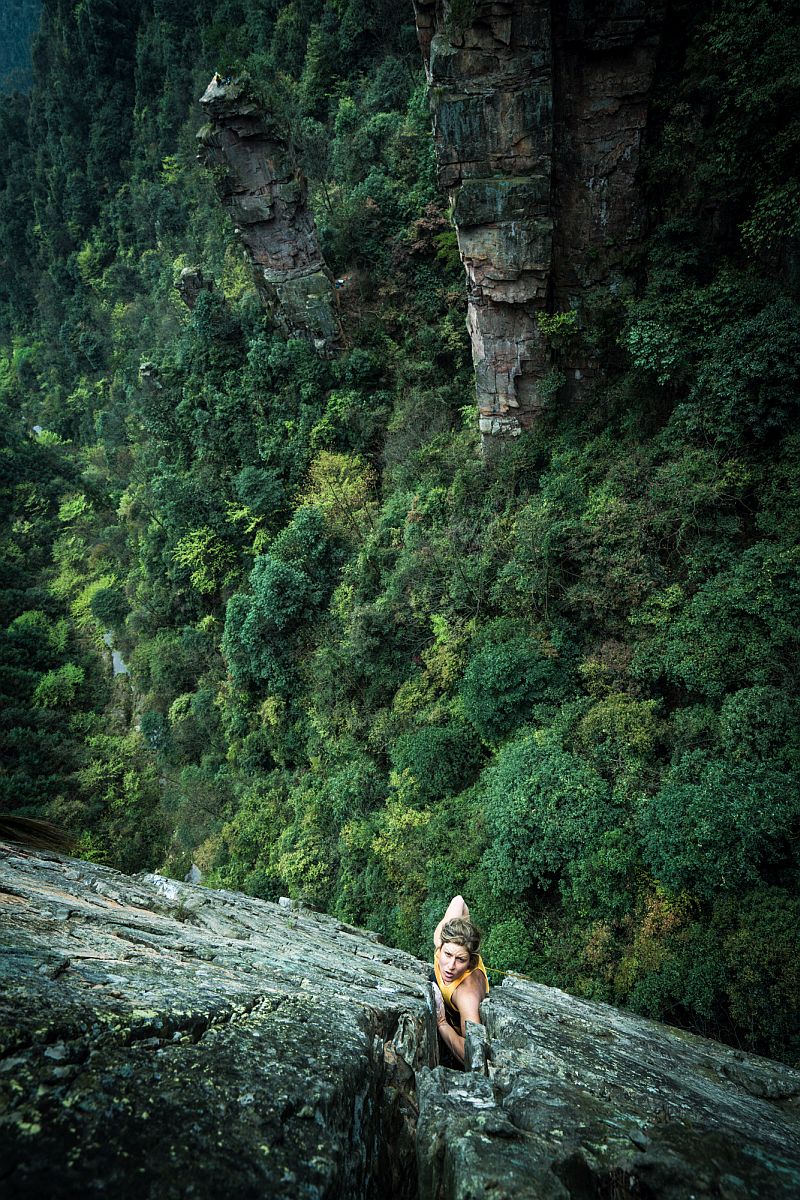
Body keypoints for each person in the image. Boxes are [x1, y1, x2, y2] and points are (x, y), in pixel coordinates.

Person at [432, 894, 489, 1065]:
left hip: (454, 1024)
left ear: (470, 961)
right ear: (440, 947)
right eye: (447, 954)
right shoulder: (442, 938)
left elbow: (474, 1054)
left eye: (460, 959)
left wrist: (442, 1024)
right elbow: (459, 900)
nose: (450, 966)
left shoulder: (467, 996)